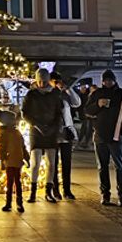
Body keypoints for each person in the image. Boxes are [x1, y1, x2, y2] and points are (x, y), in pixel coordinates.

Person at [85, 70, 122, 206]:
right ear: (102, 81)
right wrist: (97, 105)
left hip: (117, 135)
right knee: (102, 166)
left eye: (110, 80)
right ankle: (105, 194)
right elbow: (87, 111)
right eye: (105, 80)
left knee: (120, 166)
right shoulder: (97, 94)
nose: (108, 82)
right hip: (100, 135)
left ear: (114, 80)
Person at [21, 68, 63, 204]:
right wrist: (36, 124)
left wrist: (53, 128)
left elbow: (58, 113)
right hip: (36, 130)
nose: (41, 84)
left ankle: (48, 191)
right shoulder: (31, 94)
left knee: (51, 163)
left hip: (51, 131)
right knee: (35, 162)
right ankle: (33, 192)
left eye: (44, 81)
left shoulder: (55, 93)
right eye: (39, 81)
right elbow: (25, 113)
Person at [49, 72, 81, 200]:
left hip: (66, 134)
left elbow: (77, 103)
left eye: (58, 81)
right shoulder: (48, 95)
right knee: (54, 163)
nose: (57, 83)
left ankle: (67, 190)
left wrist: (68, 89)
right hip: (53, 134)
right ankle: (55, 189)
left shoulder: (65, 95)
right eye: (54, 81)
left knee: (67, 163)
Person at [0, 107, 28, 213]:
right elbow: (22, 147)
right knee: (16, 182)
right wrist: (27, 158)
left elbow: (2, 148)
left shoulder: (4, 133)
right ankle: (17, 204)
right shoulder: (14, 133)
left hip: (12, 160)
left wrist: (3, 160)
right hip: (15, 160)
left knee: (11, 183)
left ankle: (11, 203)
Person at [75, 82, 93, 150]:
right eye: (82, 88)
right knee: (85, 128)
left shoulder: (88, 95)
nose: (83, 89)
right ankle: (83, 142)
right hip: (84, 115)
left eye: (84, 88)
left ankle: (85, 142)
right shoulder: (80, 95)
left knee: (87, 128)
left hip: (88, 115)